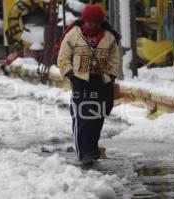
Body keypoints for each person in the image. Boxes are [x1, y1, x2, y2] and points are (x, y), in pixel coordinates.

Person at [57, 4, 120, 165]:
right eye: (88, 22)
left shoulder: (109, 37)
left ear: (100, 22)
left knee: (99, 115)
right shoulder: (73, 34)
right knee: (83, 116)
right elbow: (63, 58)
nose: (91, 25)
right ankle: (83, 153)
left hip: (102, 81)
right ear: (83, 20)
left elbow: (114, 59)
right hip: (81, 80)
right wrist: (72, 75)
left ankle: (92, 148)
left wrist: (111, 76)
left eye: (95, 23)